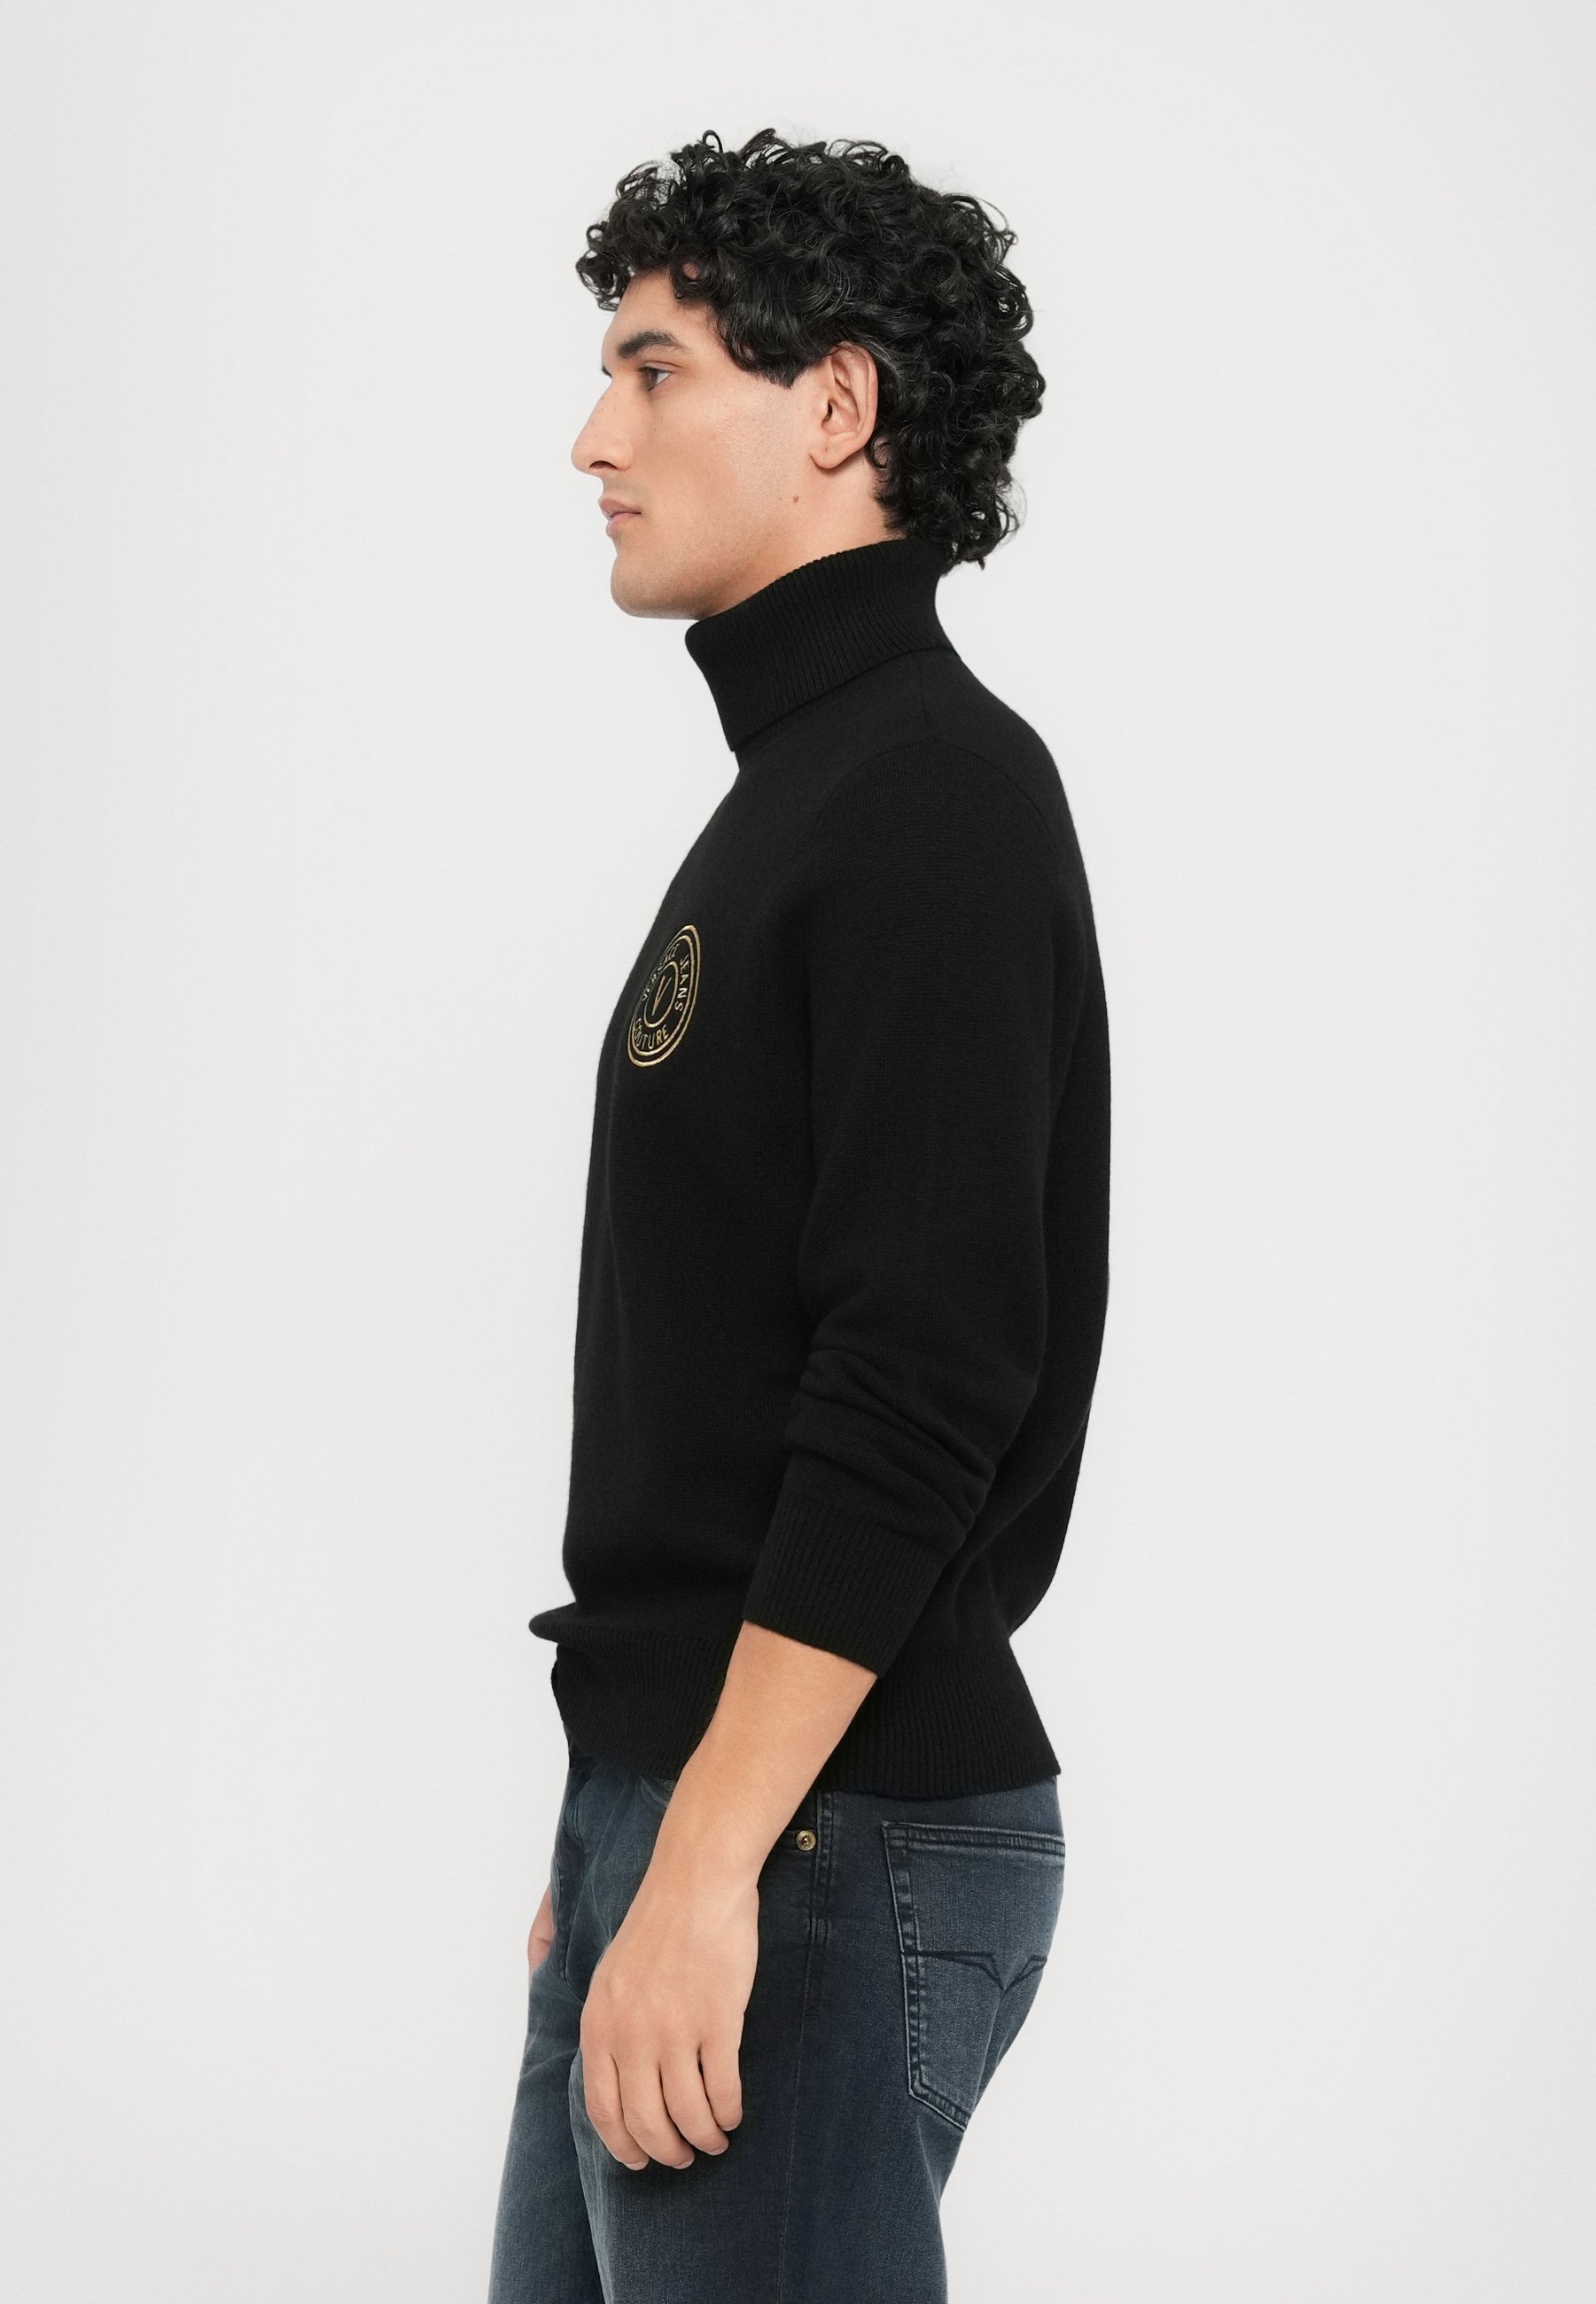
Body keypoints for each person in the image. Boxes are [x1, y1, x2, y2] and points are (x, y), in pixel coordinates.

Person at [487, 126, 1110, 2303]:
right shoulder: (803, 796)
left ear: (833, 406)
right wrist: (624, 1825)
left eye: (653, 370)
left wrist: (708, 1854)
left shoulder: (930, 794)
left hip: (817, 1828)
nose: (594, 437)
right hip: (708, 1810)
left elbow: (924, 1375)